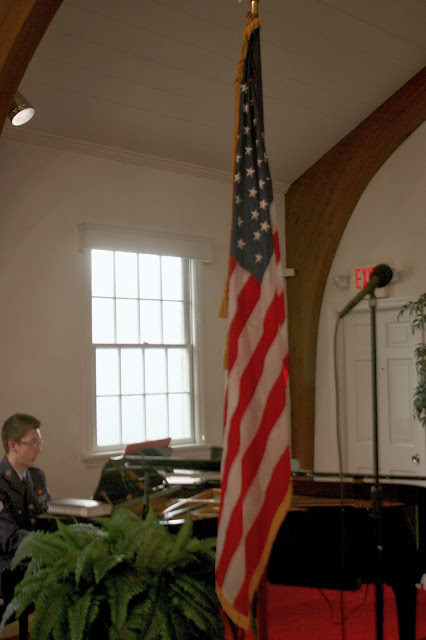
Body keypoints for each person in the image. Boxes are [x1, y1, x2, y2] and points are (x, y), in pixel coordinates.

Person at [0, 413, 51, 599]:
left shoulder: (37, 477)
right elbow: (10, 538)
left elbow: (48, 517)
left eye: (40, 443)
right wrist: (49, 544)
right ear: (12, 445)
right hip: (8, 563)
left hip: (35, 554)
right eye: (33, 443)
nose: (38, 450)